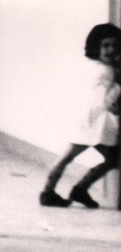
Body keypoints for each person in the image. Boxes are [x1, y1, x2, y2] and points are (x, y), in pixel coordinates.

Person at [39, 23, 121, 208]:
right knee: (113, 159)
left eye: (114, 46)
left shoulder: (94, 66)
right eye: (106, 45)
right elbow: (105, 100)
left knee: (69, 157)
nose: (111, 50)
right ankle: (74, 189)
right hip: (97, 123)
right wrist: (117, 84)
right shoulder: (106, 71)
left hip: (86, 120)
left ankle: (52, 190)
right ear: (96, 46)